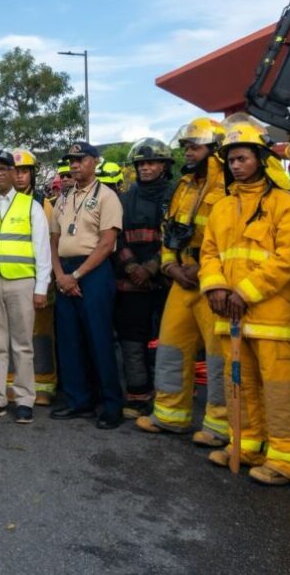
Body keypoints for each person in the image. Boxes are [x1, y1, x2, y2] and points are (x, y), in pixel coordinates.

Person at [200, 114, 290, 485]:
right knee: (241, 386)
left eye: (243, 158)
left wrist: (243, 292)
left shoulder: (285, 204)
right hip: (230, 314)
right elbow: (210, 253)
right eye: (231, 160)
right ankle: (246, 446)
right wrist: (215, 288)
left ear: (261, 159)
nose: (236, 165)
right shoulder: (221, 207)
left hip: (274, 316)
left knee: (281, 390)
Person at [136, 118, 230, 447]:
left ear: (215, 150)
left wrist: (204, 270)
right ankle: (170, 415)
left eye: (196, 147)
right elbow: (170, 231)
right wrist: (171, 267)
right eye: (187, 147)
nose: (189, 152)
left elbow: (231, 241)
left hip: (214, 282)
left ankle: (221, 426)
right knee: (172, 347)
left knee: (219, 358)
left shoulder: (228, 187)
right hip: (180, 277)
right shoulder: (185, 186)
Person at [0, 149, 52, 424]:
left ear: (14, 172)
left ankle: (25, 399)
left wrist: (42, 286)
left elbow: (42, 250)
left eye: (5, 168)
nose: (0, 172)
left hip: (22, 283)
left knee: (22, 345)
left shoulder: (31, 207)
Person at [50, 142, 125, 429]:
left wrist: (76, 276)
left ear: (94, 161)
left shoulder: (107, 197)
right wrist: (60, 276)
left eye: (80, 160)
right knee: (69, 341)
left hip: (92, 272)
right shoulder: (64, 197)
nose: (74, 165)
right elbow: (54, 240)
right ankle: (78, 400)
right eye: (71, 161)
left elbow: (107, 244)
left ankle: (110, 405)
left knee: (99, 339)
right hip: (65, 272)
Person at [114, 139, 173, 418]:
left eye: (151, 162)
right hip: (131, 284)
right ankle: (137, 396)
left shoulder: (175, 196)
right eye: (141, 164)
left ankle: (168, 398)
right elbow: (117, 236)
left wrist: (152, 268)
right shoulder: (126, 198)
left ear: (164, 165)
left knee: (167, 342)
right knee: (131, 340)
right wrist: (132, 268)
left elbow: (176, 239)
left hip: (166, 281)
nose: (146, 168)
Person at [10, 149, 58, 406]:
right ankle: (11, 382)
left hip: (37, 278)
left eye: (24, 171)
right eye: (15, 171)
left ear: (32, 174)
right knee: (10, 333)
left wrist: (45, 281)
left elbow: (50, 244)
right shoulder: (0, 201)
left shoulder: (42, 203)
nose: (19, 176)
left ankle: (43, 383)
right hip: (9, 278)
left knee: (40, 334)